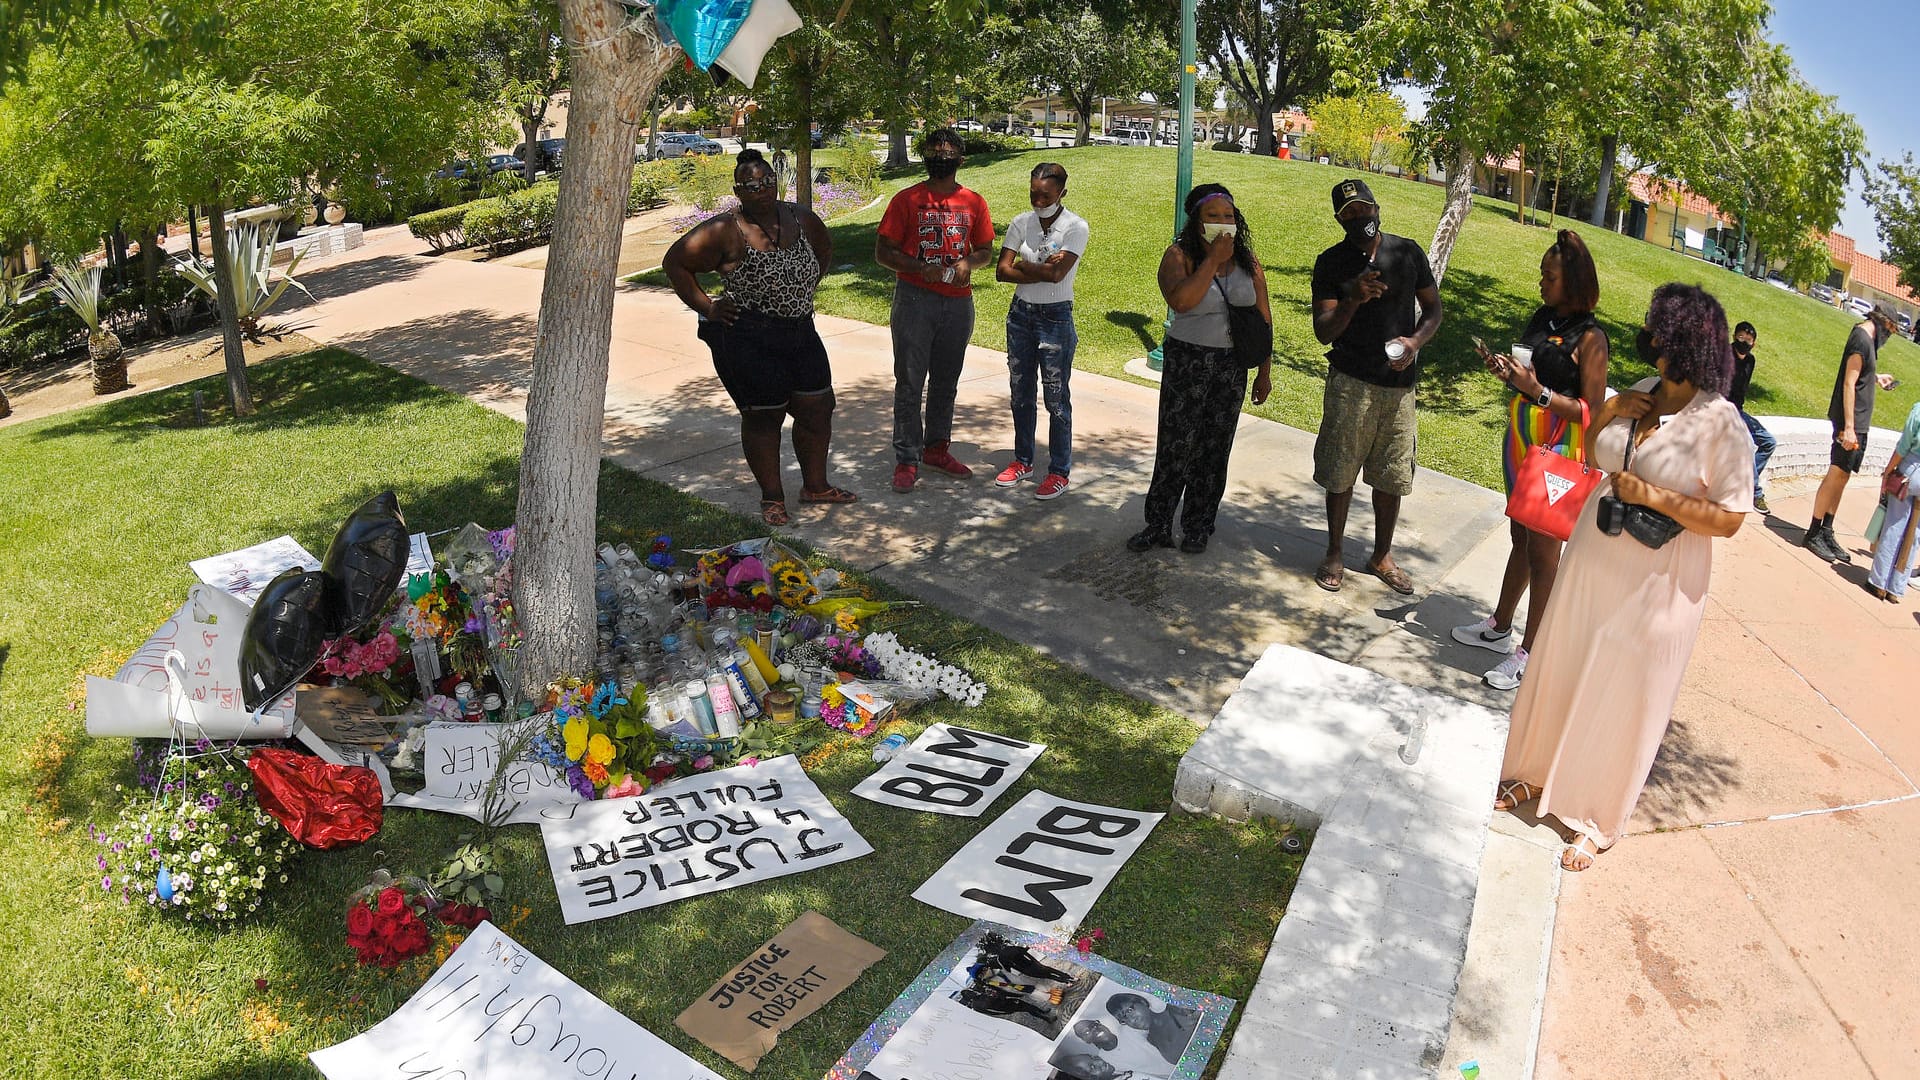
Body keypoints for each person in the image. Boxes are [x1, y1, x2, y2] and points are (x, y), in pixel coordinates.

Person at [1496, 283, 1753, 872]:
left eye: (1657, 331)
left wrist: (1657, 497)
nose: (1647, 338)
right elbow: (1594, 456)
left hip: (1658, 578)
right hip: (1594, 553)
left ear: (1683, 344)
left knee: (1624, 689)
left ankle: (1593, 815)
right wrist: (1610, 412)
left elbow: (1733, 518)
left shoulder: (1722, 423)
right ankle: (1532, 775)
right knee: (1564, 659)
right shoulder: (1641, 391)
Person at [663, 148, 856, 526]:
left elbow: (825, 249)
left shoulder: (801, 218)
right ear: (738, 191)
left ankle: (815, 485)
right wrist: (708, 307)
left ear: (776, 181)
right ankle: (772, 497)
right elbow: (675, 262)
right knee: (764, 418)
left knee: (818, 408)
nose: (761, 189)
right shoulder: (724, 230)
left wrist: (805, 286)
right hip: (750, 338)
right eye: (751, 185)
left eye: (767, 181)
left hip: (801, 331)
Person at [1453, 230, 1610, 691]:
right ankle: (1500, 626)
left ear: (1574, 282)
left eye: (1550, 276)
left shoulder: (1593, 338)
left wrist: (1537, 391)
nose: (1542, 282)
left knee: (1545, 553)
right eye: (1543, 274)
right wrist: (1509, 372)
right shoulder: (1544, 317)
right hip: (1521, 443)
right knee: (1520, 534)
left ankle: (1531, 653)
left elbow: (1593, 411)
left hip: (1559, 451)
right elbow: (1533, 373)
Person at [1309, 178, 1443, 594]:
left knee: (1392, 474)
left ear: (1376, 207)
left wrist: (1414, 342)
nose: (1359, 217)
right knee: (1340, 469)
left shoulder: (1406, 253)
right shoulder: (1331, 263)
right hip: (1351, 381)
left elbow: (1434, 310)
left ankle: (1382, 554)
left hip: (1399, 386)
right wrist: (1353, 298)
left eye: (1363, 208)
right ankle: (1334, 552)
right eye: (1349, 213)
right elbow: (1323, 332)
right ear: (1339, 220)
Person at [1126, 183, 1272, 554]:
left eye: (1228, 216)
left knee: (1214, 447)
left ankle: (1198, 525)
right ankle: (1158, 523)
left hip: (1231, 365)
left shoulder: (1249, 263)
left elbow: (1263, 319)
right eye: (1213, 217)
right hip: (1188, 360)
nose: (1223, 223)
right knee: (1176, 444)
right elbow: (1183, 301)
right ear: (1196, 222)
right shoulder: (1179, 257)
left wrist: (1264, 371)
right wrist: (1212, 260)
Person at [875, 127, 997, 493]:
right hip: (915, 299)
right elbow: (883, 253)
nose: (940, 156)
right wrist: (917, 267)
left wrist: (967, 265)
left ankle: (937, 448)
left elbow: (986, 251)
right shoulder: (906, 200)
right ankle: (906, 458)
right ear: (925, 156)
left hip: (958, 304)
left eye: (948, 151)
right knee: (910, 381)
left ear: (961, 159)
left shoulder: (974, 202)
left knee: (946, 381)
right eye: (934, 150)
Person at [994, 162, 1089, 500]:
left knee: (1056, 398)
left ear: (1062, 192)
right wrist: (1039, 269)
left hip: (1055, 317)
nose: (1038, 200)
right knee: (1020, 391)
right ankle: (1023, 460)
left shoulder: (1075, 227)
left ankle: (1059, 470)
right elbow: (1002, 272)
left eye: (1046, 195)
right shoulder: (1021, 222)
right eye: (1033, 193)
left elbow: (1057, 276)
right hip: (1020, 315)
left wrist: (1025, 267)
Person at [1805, 303, 1901, 563]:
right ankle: (1813, 531)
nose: (1889, 335)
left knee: (1844, 476)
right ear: (1881, 322)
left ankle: (1826, 528)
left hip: (1859, 423)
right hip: (1851, 423)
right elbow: (1848, 383)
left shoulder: (1868, 341)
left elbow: (1860, 375)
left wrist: (1876, 377)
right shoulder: (1861, 337)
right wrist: (1848, 427)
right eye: (1890, 329)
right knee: (1835, 473)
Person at [1865, 399, 1920, 601]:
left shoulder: (1919, 409)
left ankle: (1879, 582)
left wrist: (1888, 471)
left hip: (1911, 471)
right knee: (1915, 534)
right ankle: (1896, 588)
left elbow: (1904, 446)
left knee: (1894, 526)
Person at [1726, 321, 1775, 513]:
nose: (1744, 342)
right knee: (1746, 443)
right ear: (1734, 337)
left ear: (1754, 343)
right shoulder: (1725, 356)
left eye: (1748, 339)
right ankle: (1755, 493)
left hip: (1738, 411)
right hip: (1724, 409)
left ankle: (1745, 481)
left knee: (1769, 442)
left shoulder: (1750, 361)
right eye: (1740, 337)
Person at [1104, 992, 1197, 1064]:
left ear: (1142, 1002)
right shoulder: (1151, 1041)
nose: (1131, 1018)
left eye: (1130, 1010)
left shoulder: (1176, 1009)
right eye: (1124, 1018)